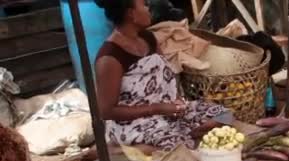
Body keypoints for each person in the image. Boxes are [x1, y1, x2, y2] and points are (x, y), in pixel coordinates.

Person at [94, 0, 232, 151]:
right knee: (179, 149)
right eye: (144, 5)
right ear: (131, 14)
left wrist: (176, 101)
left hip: (167, 112)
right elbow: (107, 111)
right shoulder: (109, 57)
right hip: (134, 123)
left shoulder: (148, 38)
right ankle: (120, 149)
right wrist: (156, 108)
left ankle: (181, 136)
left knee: (225, 116)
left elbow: (167, 76)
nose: (149, 9)